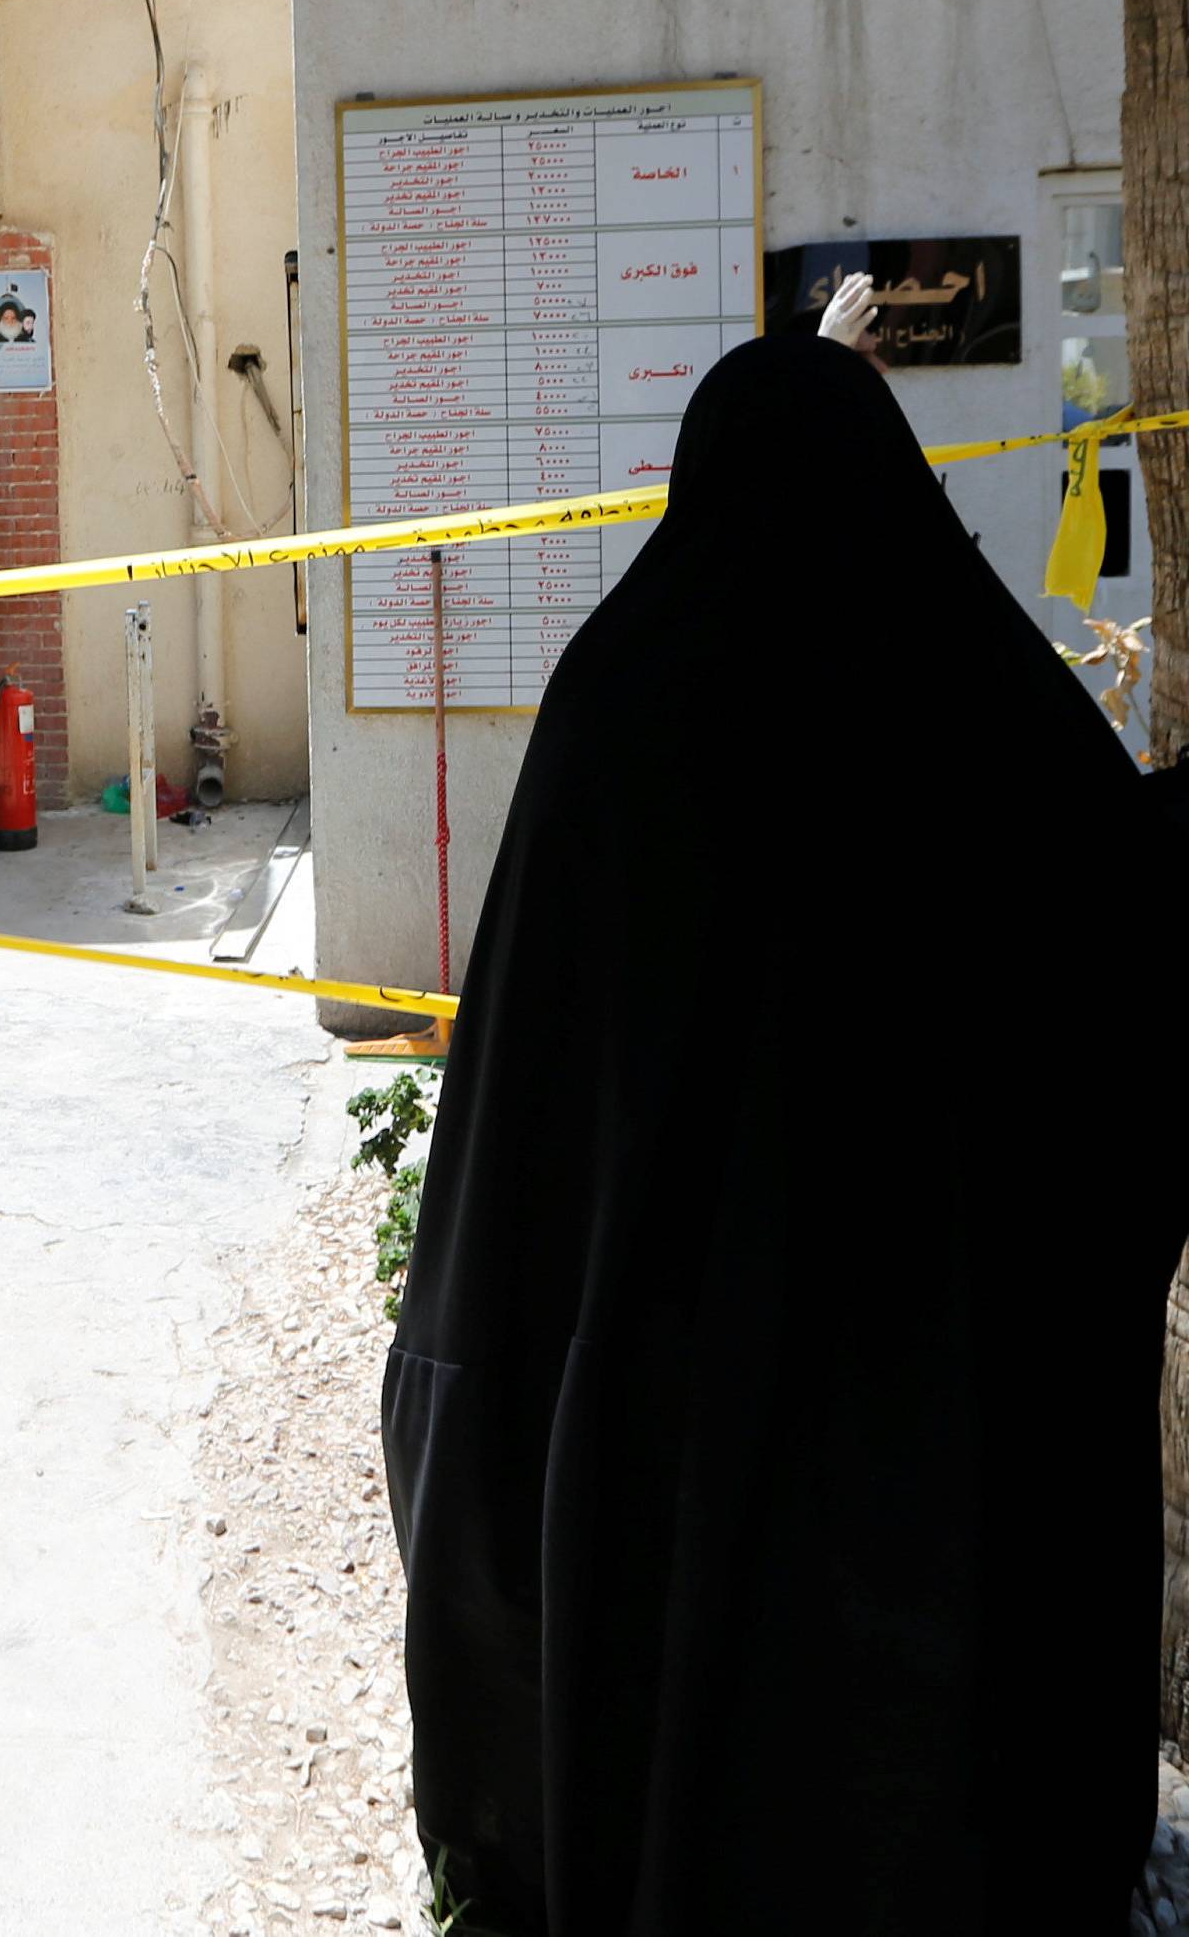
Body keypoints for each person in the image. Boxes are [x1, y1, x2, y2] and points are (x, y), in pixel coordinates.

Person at [381, 324, 1189, 1935]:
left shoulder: (620, 698)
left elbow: (518, 1125)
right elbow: (1121, 966)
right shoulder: (978, 699)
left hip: (658, 1430)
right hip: (951, 1445)